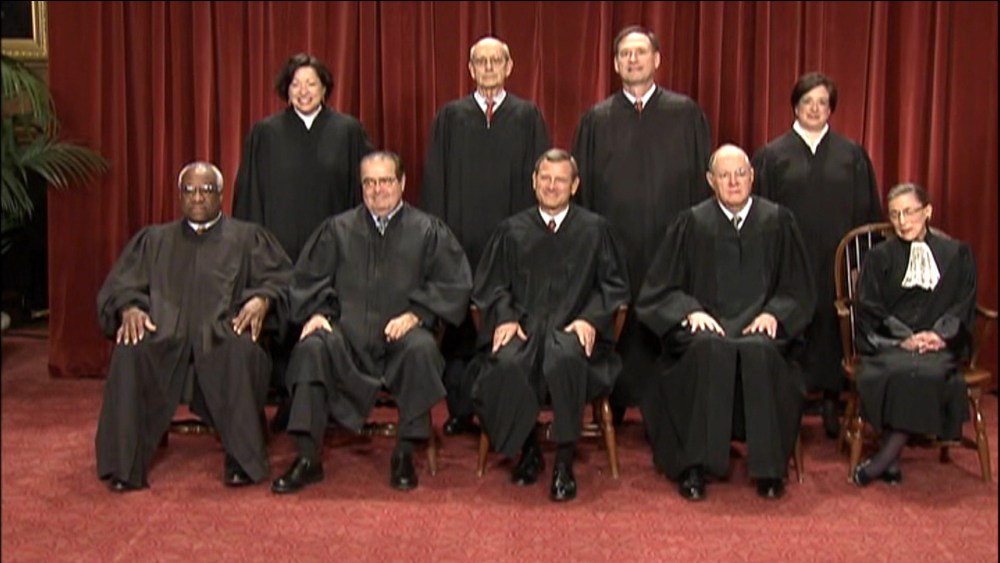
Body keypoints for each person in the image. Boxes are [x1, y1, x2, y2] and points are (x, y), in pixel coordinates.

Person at [270, 152, 472, 494]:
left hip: (400, 340)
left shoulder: (427, 231)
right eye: (370, 182)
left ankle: (404, 453)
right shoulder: (337, 230)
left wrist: (417, 315)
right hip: (345, 339)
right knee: (312, 347)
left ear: (402, 183)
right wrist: (318, 313)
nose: (378, 190)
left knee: (421, 349)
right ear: (361, 186)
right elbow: (307, 281)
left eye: (386, 181)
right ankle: (307, 458)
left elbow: (454, 284)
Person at [94, 161, 293, 493]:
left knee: (241, 350)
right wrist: (130, 307)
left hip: (223, 333)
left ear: (220, 194)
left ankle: (241, 459)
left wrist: (262, 299)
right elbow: (120, 286)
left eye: (206, 190)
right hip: (162, 335)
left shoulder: (248, 238)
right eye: (189, 190)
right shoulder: (154, 240)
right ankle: (123, 464)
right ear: (180, 195)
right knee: (130, 348)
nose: (197, 197)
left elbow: (284, 281)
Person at [636, 144, 816, 501]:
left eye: (740, 174)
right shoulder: (691, 223)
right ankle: (695, 467)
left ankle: (769, 470)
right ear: (710, 180)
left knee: (760, 351)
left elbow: (798, 288)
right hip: (707, 329)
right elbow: (659, 289)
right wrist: (690, 311)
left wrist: (774, 314)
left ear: (752, 176)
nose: (733, 182)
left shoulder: (778, 221)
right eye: (724, 175)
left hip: (760, 328)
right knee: (707, 349)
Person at [469, 149, 630, 502]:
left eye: (560, 180)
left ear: (574, 185)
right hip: (524, 329)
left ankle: (564, 461)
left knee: (565, 359)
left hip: (571, 329)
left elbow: (614, 287)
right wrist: (505, 316)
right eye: (545, 178)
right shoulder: (511, 231)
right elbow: (491, 286)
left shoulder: (595, 230)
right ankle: (527, 449)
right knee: (509, 362)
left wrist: (590, 319)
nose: (552, 186)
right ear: (534, 182)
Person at [572, 25, 711, 422]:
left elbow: (703, 184)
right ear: (616, 64)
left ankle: (665, 410)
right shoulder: (595, 121)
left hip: (671, 244)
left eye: (641, 52)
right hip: (615, 245)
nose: (633, 60)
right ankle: (612, 401)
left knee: (666, 319)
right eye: (625, 54)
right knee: (619, 317)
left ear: (657, 60)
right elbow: (581, 193)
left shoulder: (686, 115)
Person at [232, 52, 374, 431]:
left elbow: (365, 194)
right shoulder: (265, 134)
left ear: (325, 88)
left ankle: (328, 399)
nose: (303, 91)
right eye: (296, 84)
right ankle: (288, 399)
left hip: (334, 251)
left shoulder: (348, 132)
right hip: (278, 250)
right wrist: (254, 249)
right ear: (286, 89)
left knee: (324, 322)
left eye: (311, 83)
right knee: (284, 321)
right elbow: (250, 196)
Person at [420, 36, 550, 437]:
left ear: (509, 67)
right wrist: (440, 241)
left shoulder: (527, 117)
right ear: (470, 69)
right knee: (461, 330)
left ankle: (508, 409)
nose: (489, 68)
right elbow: (435, 182)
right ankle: (461, 409)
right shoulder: (450, 117)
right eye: (481, 61)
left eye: (496, 61)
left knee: (507, 324)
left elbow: (542, 183)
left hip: (514, 246)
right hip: (461, 242)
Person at [752, 71, 882, 439]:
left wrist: (861, 265)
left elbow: (867, 215)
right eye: (807, 102)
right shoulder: (772, 155)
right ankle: (790, 400)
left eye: (822, 102)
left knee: (830, 325)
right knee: (793, 322)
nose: (814, 109)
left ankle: (830, 399)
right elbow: (760, 214)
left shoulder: (852, 155)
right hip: (790, 260)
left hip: (836, 261)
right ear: (795, 106)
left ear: (831, 109)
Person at [851, 183, 976, 486]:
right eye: (895, 214)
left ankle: (884, 460)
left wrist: (939, 336)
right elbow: (869, 306)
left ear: (927, 211)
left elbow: (963, 303)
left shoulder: (956, 254)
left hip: (939, 345)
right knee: (894, 371)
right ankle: (889, 460)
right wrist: (903, 337)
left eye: (909, 212)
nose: (902, 221)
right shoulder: (878, 257)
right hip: (891, 343)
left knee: (922, 373)